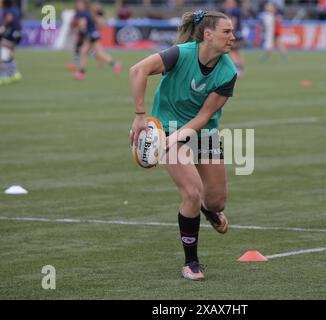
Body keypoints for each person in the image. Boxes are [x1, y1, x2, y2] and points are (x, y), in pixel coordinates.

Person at [129, 9, 237, 281]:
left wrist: (181, 135)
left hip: (203, 132)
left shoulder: (228, 71)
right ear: (208, 35)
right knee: (191, 192)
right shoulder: (180, 54)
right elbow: (138, 70)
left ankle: (207, 209)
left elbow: (203, 117)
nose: (233, 37)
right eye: (227, 32)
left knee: (216, 201)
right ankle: (191, 263)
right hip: (166, 128)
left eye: (232, 31)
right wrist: (140, 116)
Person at [72, 0, 121, 80]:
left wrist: (82, 33)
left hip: (90, 36)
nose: (78, 5)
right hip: (94, 34)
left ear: (82, 5)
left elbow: (82, 26)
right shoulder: (87, 12)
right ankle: (115, 64)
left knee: (84, 52)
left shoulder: (82, 13)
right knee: (99, 53)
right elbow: (98, 21)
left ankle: (81, 73)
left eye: (79, 4)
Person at [0, 0, 22, 85]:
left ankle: (4, 75)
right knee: (8, 53)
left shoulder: (6, 10)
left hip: (12, 33)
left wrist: (2, 28)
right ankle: (14, 73)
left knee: (3, 52)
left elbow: (9, 19)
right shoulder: (15, 9)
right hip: (17, 33)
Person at [222, 0, 244, 77]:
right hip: (239, 33)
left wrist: (230, 31)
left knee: (232, 51)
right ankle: (241, 69)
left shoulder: (233, 10)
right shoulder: (237, 10)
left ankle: (237, 69)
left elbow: (233, 21)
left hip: (235, 33)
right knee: (238, 52)